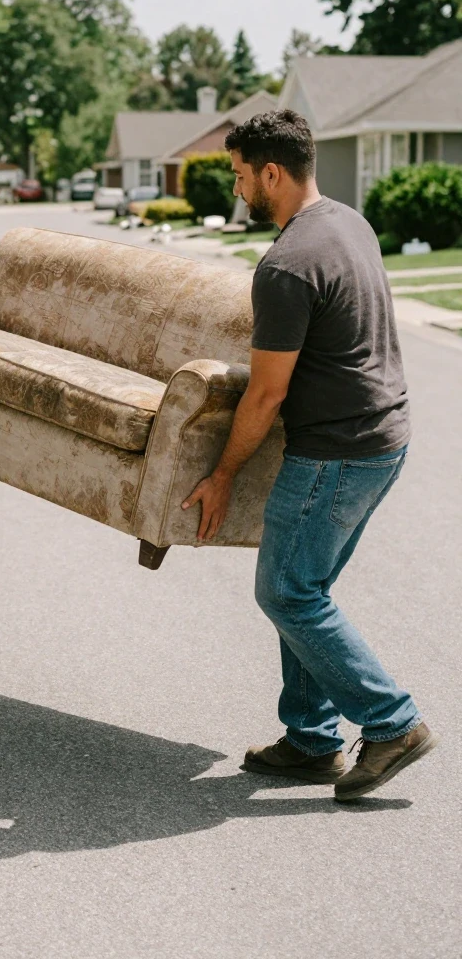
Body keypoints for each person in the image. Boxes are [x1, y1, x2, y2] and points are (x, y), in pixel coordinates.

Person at [182, 109, 437, 802]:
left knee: (287, 592)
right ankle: (312, 738)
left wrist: (222, 476)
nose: (237, 189)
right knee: (306, 589)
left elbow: (264, 397)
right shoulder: (348, 222)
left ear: (271, 171)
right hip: (386, 439)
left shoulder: (287, 265)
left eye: (239, 175)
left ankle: (392, 721)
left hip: (337, 453)